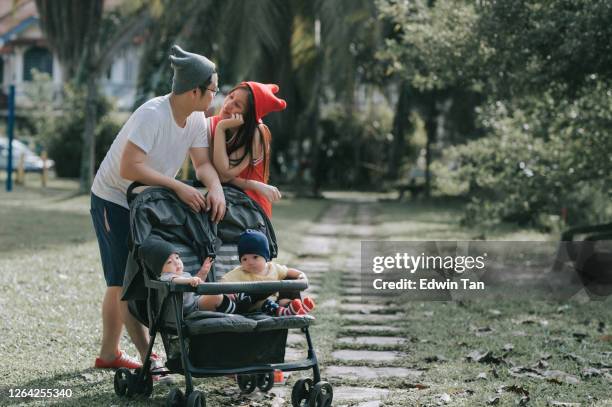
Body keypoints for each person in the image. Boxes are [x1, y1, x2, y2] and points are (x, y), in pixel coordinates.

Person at [90, 45, 226, 371]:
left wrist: (216, 187)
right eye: (213, 90)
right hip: (114, 199)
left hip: (146, 203)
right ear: (194, 90)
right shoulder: (153, 114)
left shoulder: (195, 118)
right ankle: (144, 357)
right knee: (123, 281)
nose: (215, 98)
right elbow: (129, 167)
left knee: (139, 276)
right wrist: (178, 186)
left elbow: (202, 163)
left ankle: (110, 355)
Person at [208, 82, 286, 218]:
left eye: (238, 105)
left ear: (248, 115)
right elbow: (215, 175)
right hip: (223, 201)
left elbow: (224, 175)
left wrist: (221, 128)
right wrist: (255, 184)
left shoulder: (257, 134)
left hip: (252, 209)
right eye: (230, 96)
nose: (228, 105)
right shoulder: (211, 124)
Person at [139, 235, 253, 314]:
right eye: (169, 262)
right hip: (192, 308)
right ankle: (238, 310)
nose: (176, 262)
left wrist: (203, 271)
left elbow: (197, 281)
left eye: (177, 258)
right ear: (160, 269)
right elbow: (175, 281)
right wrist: (188, 281)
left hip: (199, 299)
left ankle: (244, 298)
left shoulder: (184, 274)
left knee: (224, 291)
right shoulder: (165, 277)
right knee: (216, 296)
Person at [221, 230, 316, 316]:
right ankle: (285, 312)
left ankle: (296, 308)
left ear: (265, 256)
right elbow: (223, 282)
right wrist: (228, 293)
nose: (249, 262)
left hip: (276, 300)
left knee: (286, 297)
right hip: (255, 306)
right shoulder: (240, 272)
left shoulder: (273, 268)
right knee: (266, 303)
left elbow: (288, 271)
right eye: (244, 259)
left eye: (255, 257)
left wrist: (301, 276)